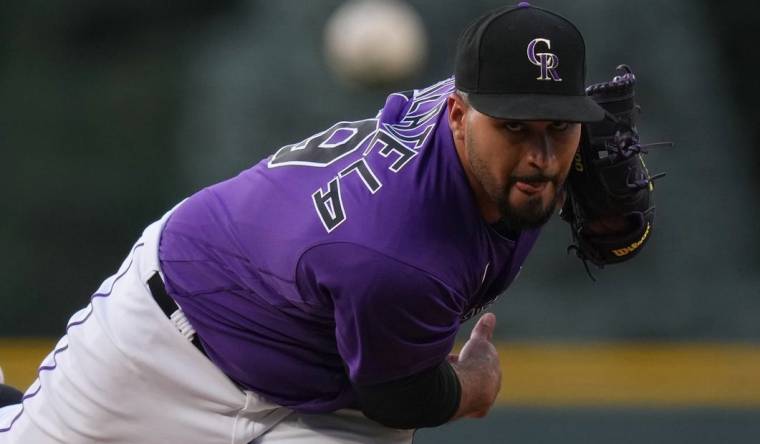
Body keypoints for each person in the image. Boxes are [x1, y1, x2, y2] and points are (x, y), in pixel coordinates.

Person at [0, 3, 655, 443]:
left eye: (558, 125)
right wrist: (471, 388)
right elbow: (401, 396)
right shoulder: (398, 252)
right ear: (457, 115)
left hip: (329, 395)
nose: (540, 155)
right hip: (175, 342)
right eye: (514, 125)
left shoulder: (512, 151)